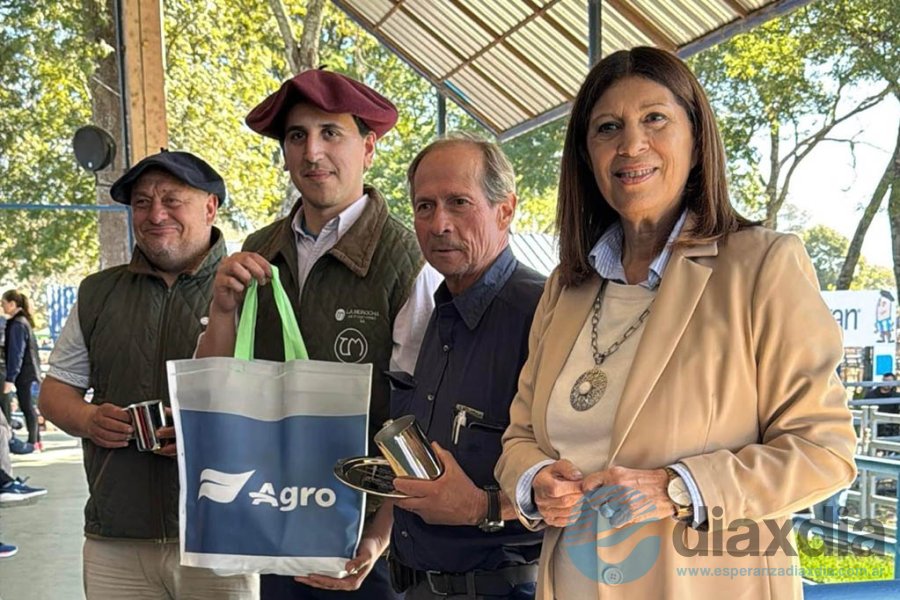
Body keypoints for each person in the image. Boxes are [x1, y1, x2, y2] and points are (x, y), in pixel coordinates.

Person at [494, 47, 857, 599]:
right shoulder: (565, 290)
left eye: (654, 119)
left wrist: (681, 487)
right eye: (608, 127)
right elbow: (519, 436)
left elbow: (824, 452)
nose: (631, 144)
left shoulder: (761, 266)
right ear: (586, 155)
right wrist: (532, 480)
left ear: (696, 137)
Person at [197, 69, 439, 599]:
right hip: (271, 514)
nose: (312, 153)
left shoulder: (406, 260)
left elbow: (421, 412)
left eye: (331, 133)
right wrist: (221, 311)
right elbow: (215, 388)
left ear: (369, 148)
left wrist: (381, 533)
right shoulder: (258, 251)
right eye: (296, 136)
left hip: (363, 532)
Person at [39, 150, 258, 599]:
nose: (156, 214)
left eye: (172, 199)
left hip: (223, 533)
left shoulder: (251, 289)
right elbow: (56, 391)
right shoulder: (98, 293)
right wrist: (88, 420)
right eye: (142, 202)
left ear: (210, 207)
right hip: (116, 539)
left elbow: (284, 406)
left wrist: (212, 431)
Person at [377, 134, 544, 599]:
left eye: (458, 202)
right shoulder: (443, 307)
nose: (439, 224)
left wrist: (482, 506)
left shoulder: (544, 314)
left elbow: (585, 480)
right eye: (424, 207)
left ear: (505, 210)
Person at [2, 290, 42, 450]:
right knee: (27, 405)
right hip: (29, 370)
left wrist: (10, 377)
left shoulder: (18, 324)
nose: (2, 307)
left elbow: (16, 352)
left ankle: (33, 441)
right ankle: (36, 440)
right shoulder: (22, 322)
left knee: (26, 405)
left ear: (12, 304)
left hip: (24, 372)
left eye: (3, 303)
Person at [867, 372, 898, 438]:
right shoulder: (871, 395)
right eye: (885, 381)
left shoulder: (896, 396)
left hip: (891, 429)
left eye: (890, 381)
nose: (887, 383)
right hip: (875, 427)